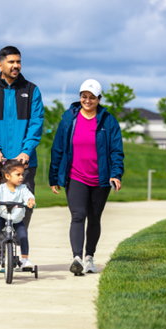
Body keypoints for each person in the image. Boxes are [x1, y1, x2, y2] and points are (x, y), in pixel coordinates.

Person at [0, 46, 44, 267]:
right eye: (11, 62)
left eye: (18, 62)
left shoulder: (32, 91)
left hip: (24, 162)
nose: (16, 66)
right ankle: (2, 255)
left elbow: (36, 124)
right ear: (0, 64)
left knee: (24, 209)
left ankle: (19, 251)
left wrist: (26, 150)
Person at [49, 79, 124, 275]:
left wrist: (116, 174)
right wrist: (54, 176)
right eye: (84, 96)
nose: (87, 100)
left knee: (95, 218)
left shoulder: (109, 121)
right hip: (75, 176)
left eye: (92, 97)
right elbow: (58, 148)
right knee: (77, 216)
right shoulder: (69, 119)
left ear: (99, 99)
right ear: (80, 97)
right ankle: (77, 258)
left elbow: (116, 150)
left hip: (101, 178)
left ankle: (89, 257)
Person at [0, 160, 36, 268]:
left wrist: (30, 200)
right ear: (8, 176)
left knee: (23, 236)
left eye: (22, 174)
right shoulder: (1, 188)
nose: (21, 177)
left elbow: (28, 195)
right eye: (18, 174)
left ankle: (24, 259)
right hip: (3, 216)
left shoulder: (23, 188)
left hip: (17, 219)